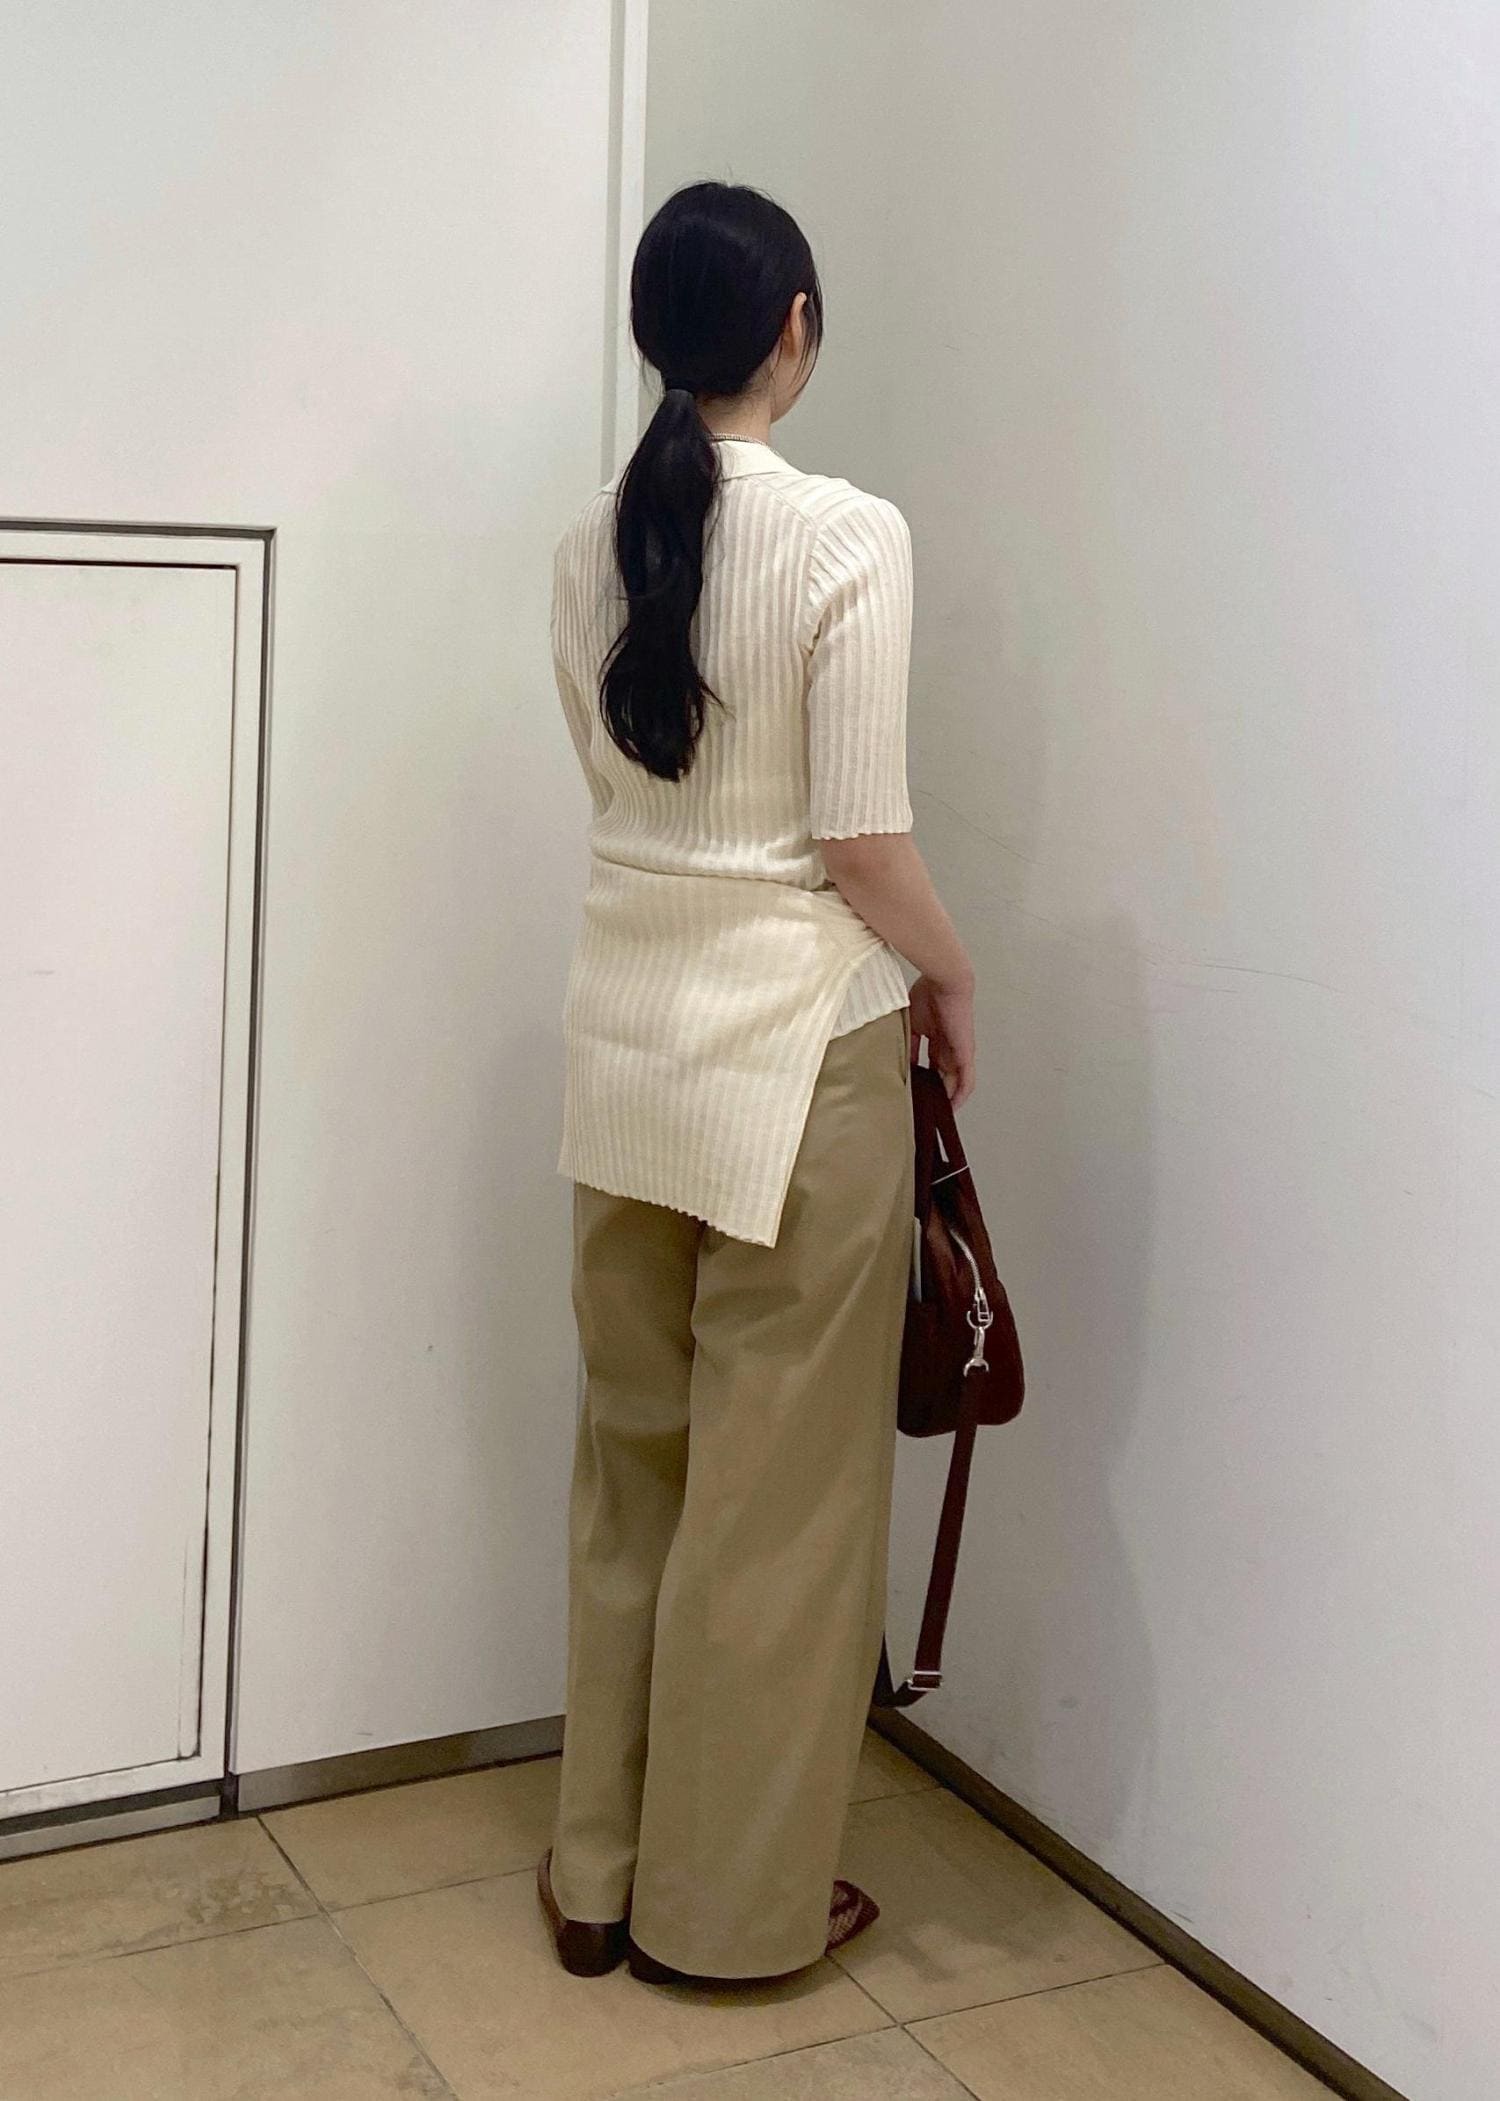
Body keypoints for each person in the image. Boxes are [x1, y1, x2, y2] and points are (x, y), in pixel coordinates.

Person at [536, 180, 975, 1987]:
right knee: (775, 1511)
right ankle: (719, 1918)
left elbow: (618, 787)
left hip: (623, 1050)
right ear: (795, 327)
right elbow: (858, 839)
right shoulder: (848, 537)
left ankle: (595, 1872)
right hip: (796, 1056)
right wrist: (953, 973)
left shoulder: (588, 542)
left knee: (633, 1471)